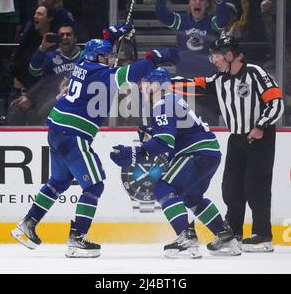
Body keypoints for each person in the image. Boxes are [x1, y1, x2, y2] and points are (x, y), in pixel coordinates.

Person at [10, 22, 180, 258]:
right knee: (95, 184)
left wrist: (113, 34)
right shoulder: (101, 73)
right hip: (73, 133)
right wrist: (157, 58)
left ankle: (27, 224)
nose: (110, 59)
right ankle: (77, 238)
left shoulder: (83, 64)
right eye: (107, 56)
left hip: (58, 130)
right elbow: (134, 72)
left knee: (58, 180)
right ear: (98, 57)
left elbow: (100, 46)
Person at [110, 67, 241, 258]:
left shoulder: (162, 105)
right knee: (192, 198)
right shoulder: (172, 101)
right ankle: (226, 238)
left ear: (156, 85)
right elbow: (171, 137)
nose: (140, 87)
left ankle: (187, 240)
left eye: (144, 83)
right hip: (210, 153)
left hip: (195, 153)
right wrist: (152, 135)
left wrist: (134, 152)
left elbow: (165, 142)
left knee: (163, 188)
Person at [172, 35, 284, 252]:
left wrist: (260, 125)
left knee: (256, 186)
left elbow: (276, 102)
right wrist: (164, 82)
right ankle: (233, 233)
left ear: (230, 55)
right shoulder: (219, 80)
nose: (213, 60)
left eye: (216, 56)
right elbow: (194, 84)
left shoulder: (255, 73)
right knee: (231, 188)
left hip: (260, 137)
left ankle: (262, 235)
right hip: (237, 138)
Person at [156, 0, 230, 125]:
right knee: (183, 124)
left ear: (207, 4)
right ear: (189, 3)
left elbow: (223, 19)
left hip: (207, 83)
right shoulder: (182, 21)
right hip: (184, 82)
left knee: (208, 124)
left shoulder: (211, 23)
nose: (197, 2)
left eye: (202, 0)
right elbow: (162, 15)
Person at [10, 24, 82, 125]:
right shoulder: (51, 56)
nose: (65, 37)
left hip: (78, 107)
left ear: (75, 38)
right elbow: (34, 71)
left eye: (68, 34)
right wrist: (42, 48)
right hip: (54, 106)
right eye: (61, 35)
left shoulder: (84, 56)